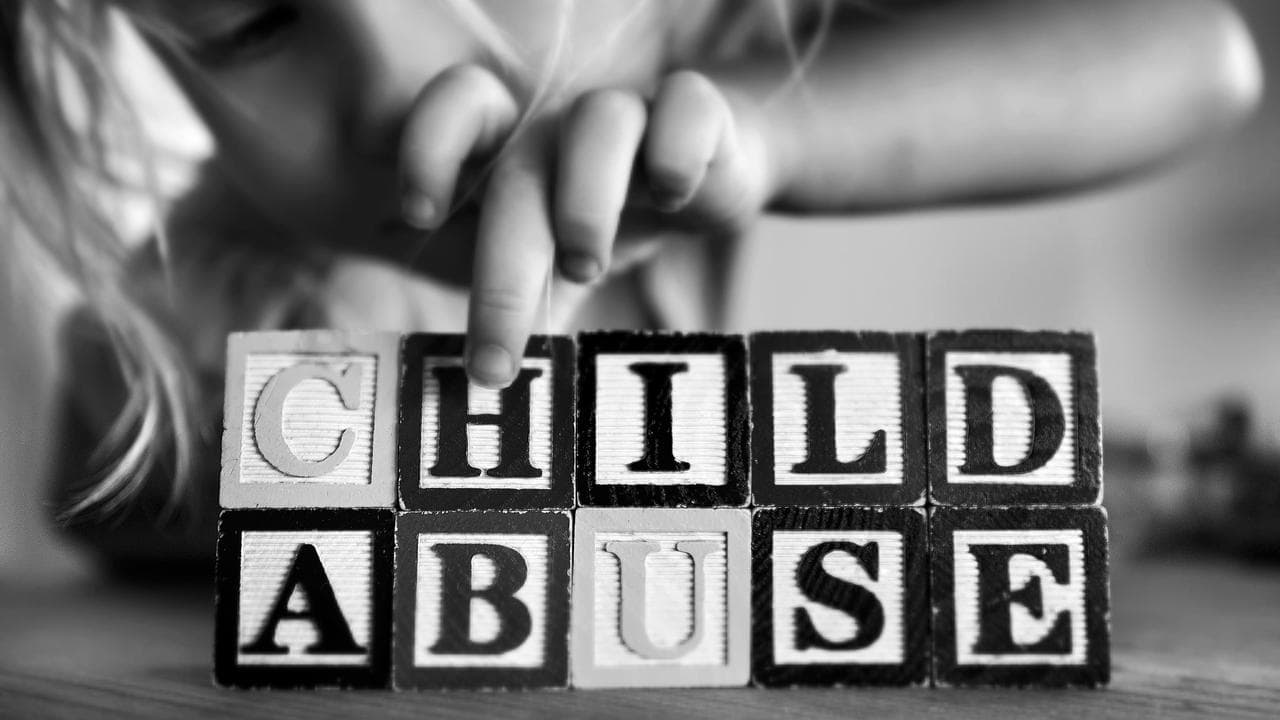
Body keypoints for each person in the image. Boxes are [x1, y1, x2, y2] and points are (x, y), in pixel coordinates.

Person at [0, 0, 1261, 567]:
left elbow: (1198, 55)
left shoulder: (713, 34)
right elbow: (93, 491)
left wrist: (777, 129)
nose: (399, 82)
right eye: (250, 23)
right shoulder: (218, 293)